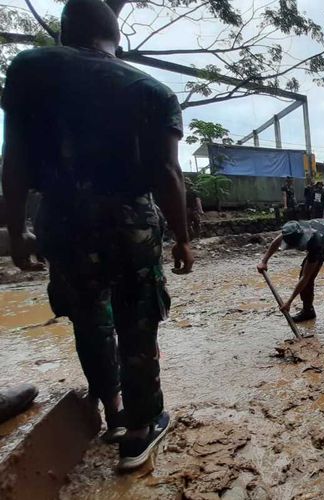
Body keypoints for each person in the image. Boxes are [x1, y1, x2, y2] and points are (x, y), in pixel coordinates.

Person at [1, 0, 194, 471]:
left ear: (66, 31)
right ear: (117, 39)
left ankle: (110, 408)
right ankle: (140, 431)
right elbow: (168, 174)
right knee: (138, 321)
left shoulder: (31, 69)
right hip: (130, 220)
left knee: (89, 317)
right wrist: (182, 239)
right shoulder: (151, 90)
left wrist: (16, 229)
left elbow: (15, 159)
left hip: (61, 219)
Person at [257, 219, 324, 328]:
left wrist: (289, 302)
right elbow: (277, 240)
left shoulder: (315, 242)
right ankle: (308, 311)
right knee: (305, 276)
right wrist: (264, 261)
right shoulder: (292, 229)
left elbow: (306, 277)